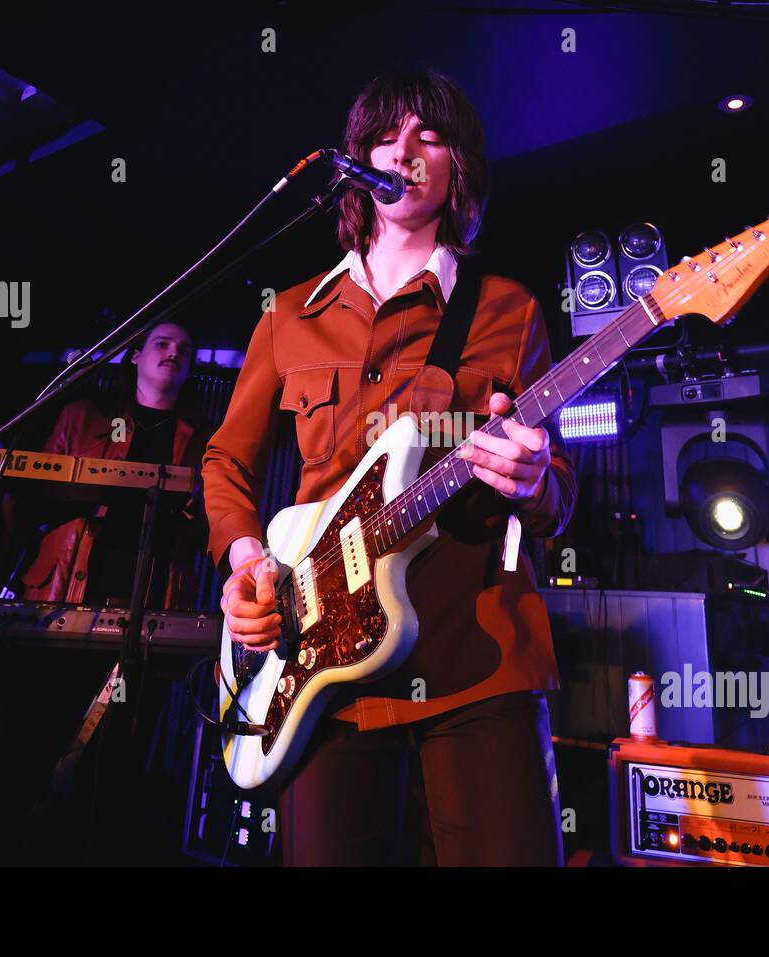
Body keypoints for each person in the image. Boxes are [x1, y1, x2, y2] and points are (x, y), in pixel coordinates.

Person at [202, 69, 577, 865]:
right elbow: (226, 459)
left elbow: (559, 492)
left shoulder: (509, 310)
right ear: (355, 163)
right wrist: (244, 561)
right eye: (384, 136)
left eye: (428, 136)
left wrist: (536, 479)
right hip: (321, 667)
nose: (403, 151)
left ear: (458, 170)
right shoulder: (289, 314)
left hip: (478, 660)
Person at [15, 320, 209, 609]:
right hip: (63, 589)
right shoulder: (81, 417)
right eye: (162, 344)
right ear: (135, 356)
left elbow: (209, 526)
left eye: (184, 349)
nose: (173, 353)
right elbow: (30, 498)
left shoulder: (205, 439)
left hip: (154, 597)